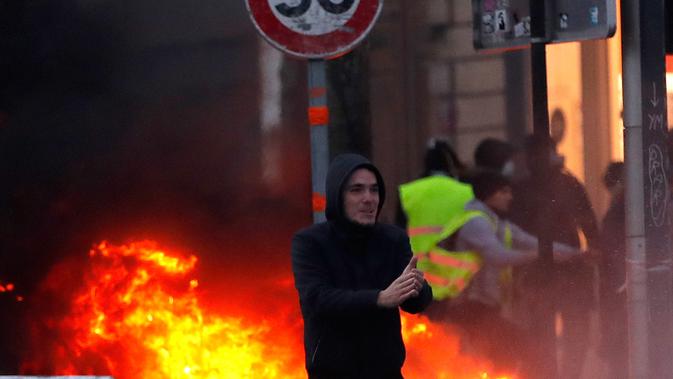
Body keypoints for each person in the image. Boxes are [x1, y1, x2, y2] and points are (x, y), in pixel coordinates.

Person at [291, 153, 433, 379]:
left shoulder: (393, 239)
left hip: (386, 372)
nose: (369, 198)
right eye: (356, 190)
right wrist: (379, 298)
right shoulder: (310, 242)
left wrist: (417, 288)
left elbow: (415, 304)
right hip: (332, 372)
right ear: (338, 196)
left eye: (374, 190)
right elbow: (316, 298)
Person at [431, 170, 580, 375]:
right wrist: (537, 255)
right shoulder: (475, 223)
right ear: (489, 194)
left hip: (484, 309)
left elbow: (536, 244)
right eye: (504, 191)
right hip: (468, 308)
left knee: (503, 357)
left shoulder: (496, 223)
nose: (510, 196)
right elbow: (498, 257)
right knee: (521, 350)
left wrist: (578, 254)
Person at [509, 134, 599, 379]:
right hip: (541, 271)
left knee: (569, 334)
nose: (536, 160)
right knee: (543, 333)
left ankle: (560, 374)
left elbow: (588, 224)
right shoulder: (529, 188)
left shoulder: (565, 185)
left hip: (565, 270)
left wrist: (593, 250)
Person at [395, 139, 474, 301]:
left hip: (418, 273)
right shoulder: (467, 191)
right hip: (457, 276)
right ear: (451, 163)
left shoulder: (408, 192)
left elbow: (398, 234)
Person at [597, 161, 627, 379]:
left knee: (619, 345)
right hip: (616, 288)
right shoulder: (620, 208)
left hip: (618, 288)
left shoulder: (620, 209)